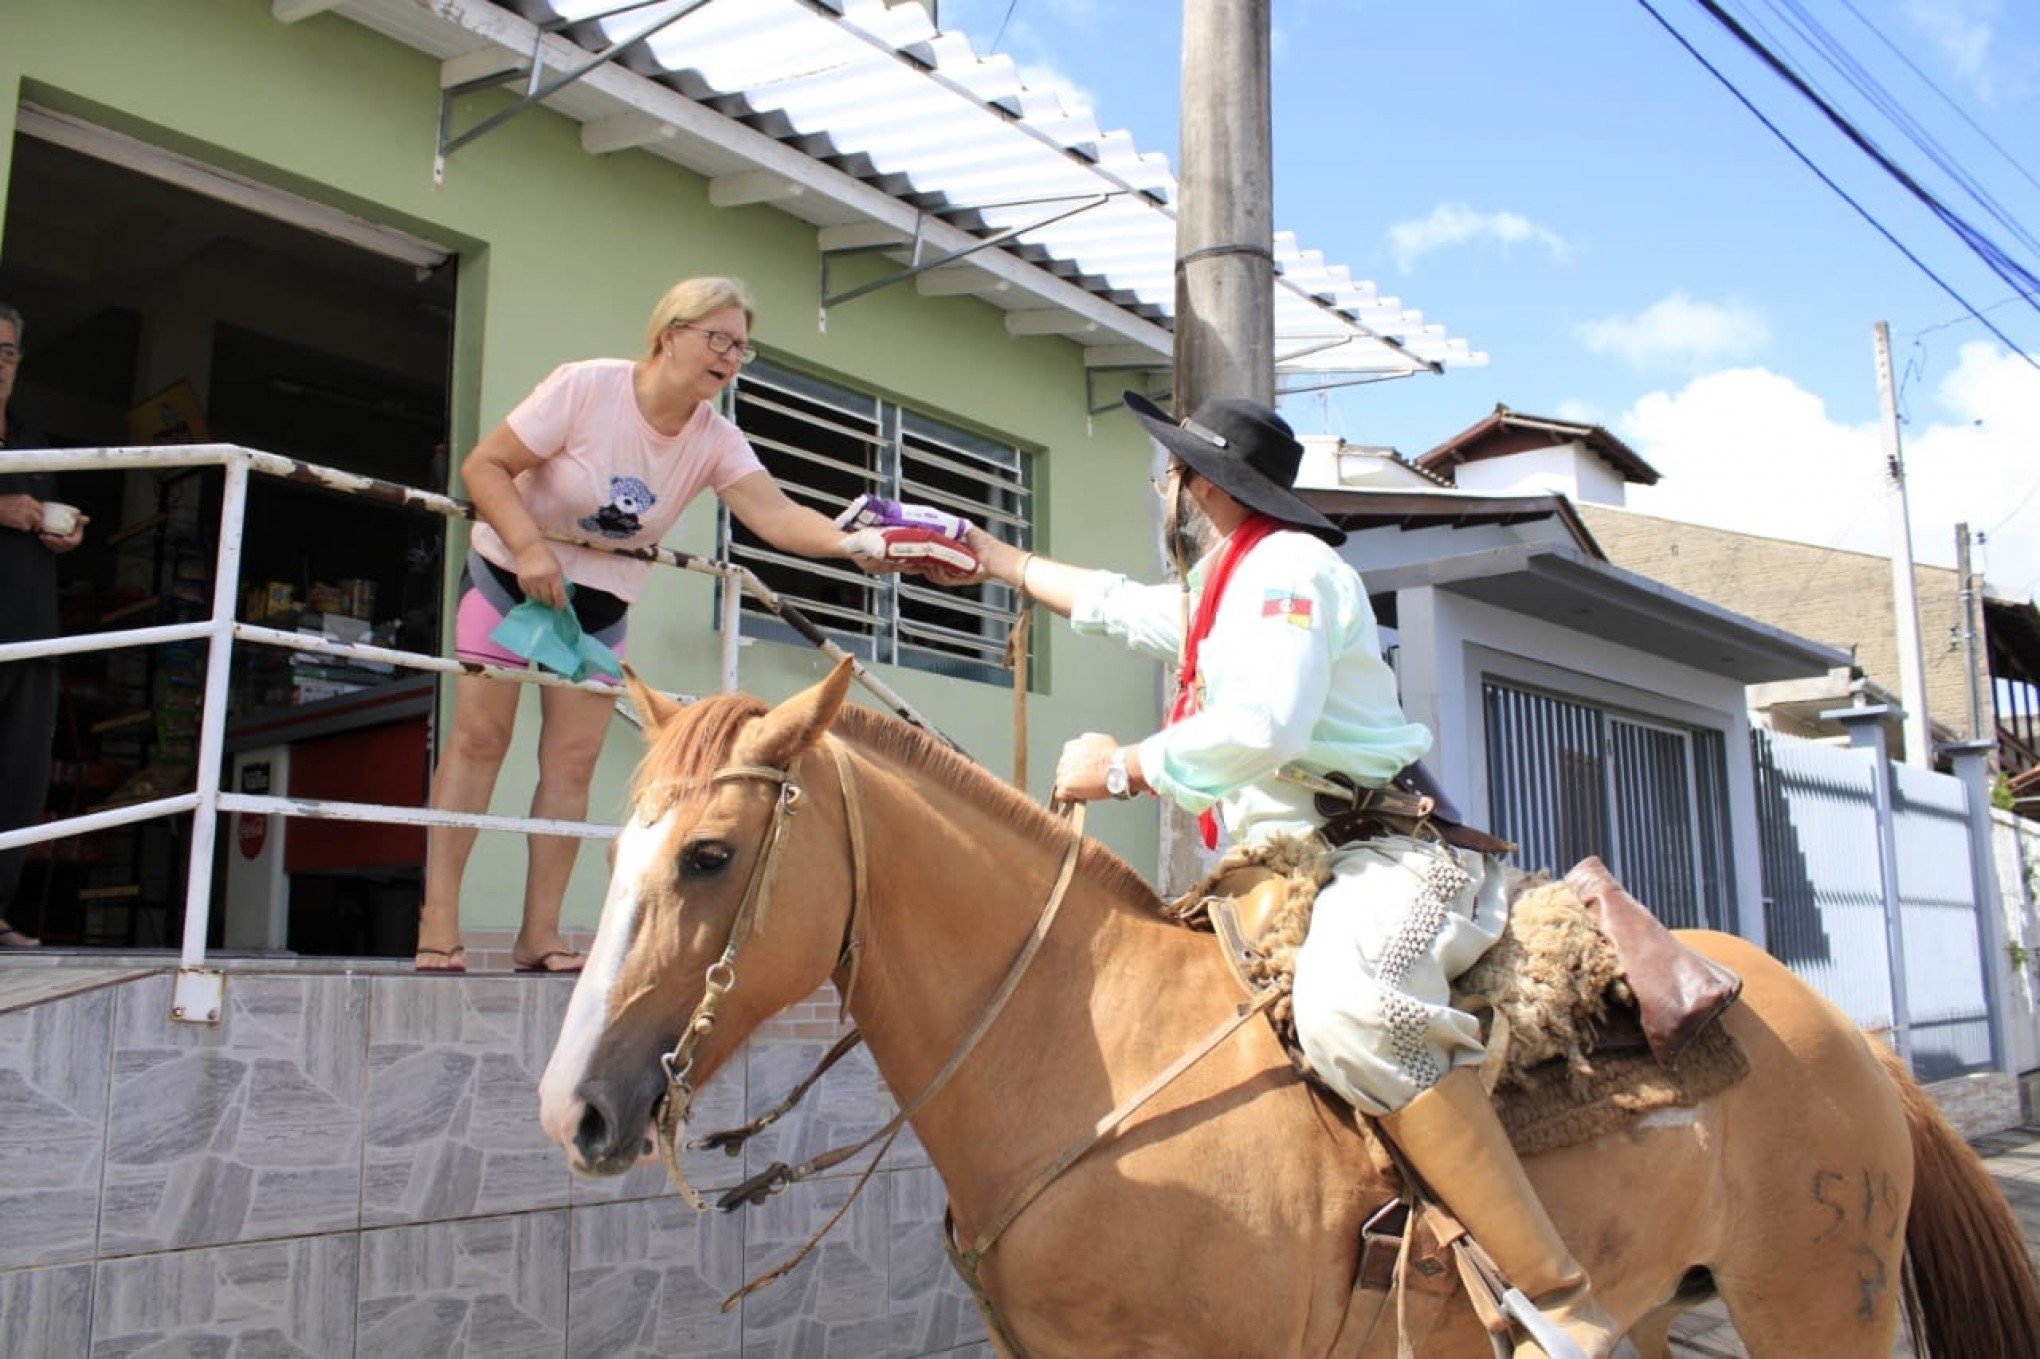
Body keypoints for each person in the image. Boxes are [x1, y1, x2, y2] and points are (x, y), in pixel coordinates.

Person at [953, 391, 1631, 1359]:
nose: (1162, 483)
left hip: (1377, 851)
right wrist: (995, 558)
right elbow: (1118, 605)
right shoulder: (1222, 584)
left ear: (1198, 485)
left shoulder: (1291, 572)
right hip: (1276, 868)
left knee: (1353, 1014)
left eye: (1171, 467)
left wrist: (1121, 766)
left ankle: (1558, 1302)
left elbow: (1264, 724)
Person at [417, 276, 960, 974]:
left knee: (572, 760)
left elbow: (774, 514)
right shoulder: (586, 387)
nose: (730, 357)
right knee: (480, 739)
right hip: (511, 577)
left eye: (741, 347)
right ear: (668, 334)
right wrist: (527, 547)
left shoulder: (715, 438)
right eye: (718, 339)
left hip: (600, 601)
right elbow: (485, 466)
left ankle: (540, 933)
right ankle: (438, 921)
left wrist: (854, 544)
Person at [0, 303, 88, 949]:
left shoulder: (33, 441)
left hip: (31, 634)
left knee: (18, 782)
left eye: (6, 353)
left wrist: (65, 534)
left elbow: (41, 519)